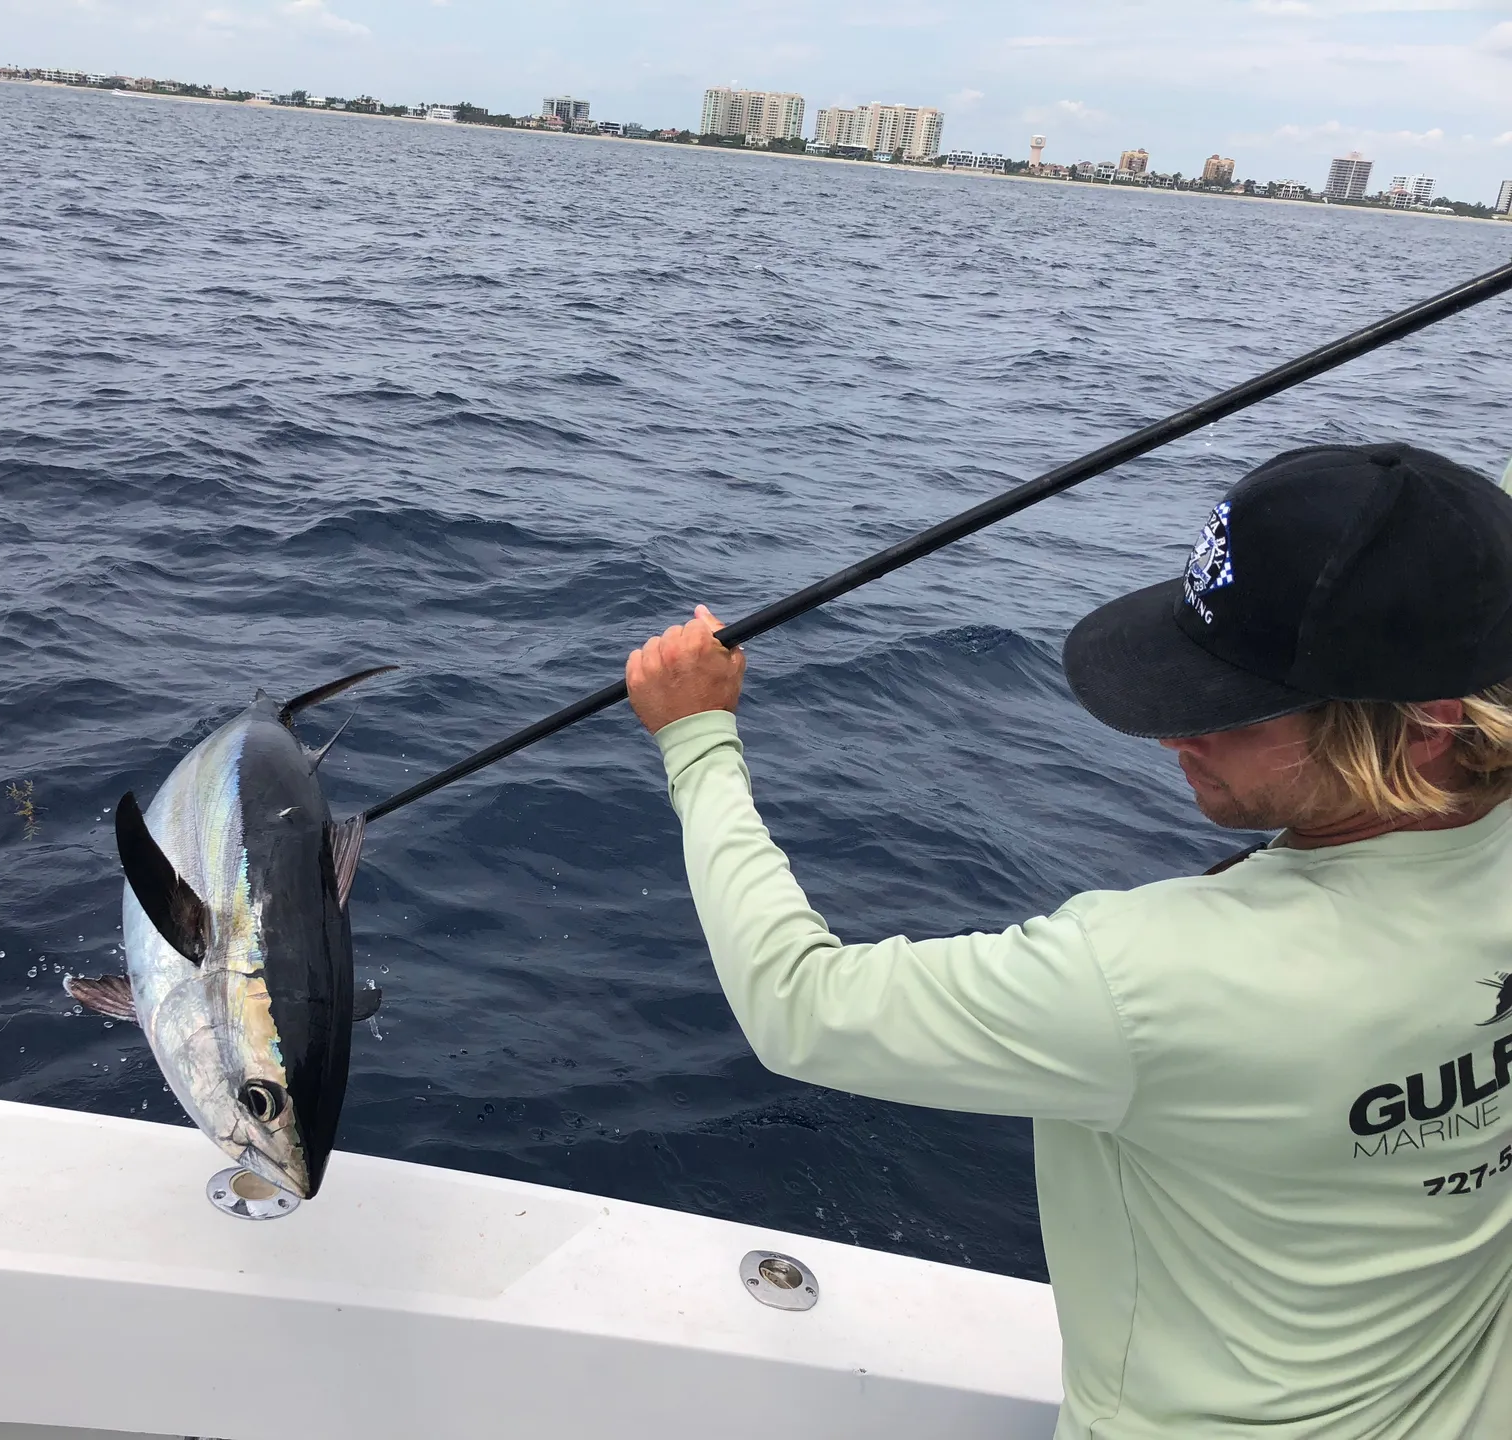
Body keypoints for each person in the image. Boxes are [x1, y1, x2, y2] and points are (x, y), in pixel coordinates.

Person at [625, 443, 1512, 1439]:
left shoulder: (1152, 977)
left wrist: (696, 739)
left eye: (1232, 709)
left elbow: (802, 1009)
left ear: (1429, 726)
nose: (1175, 734)